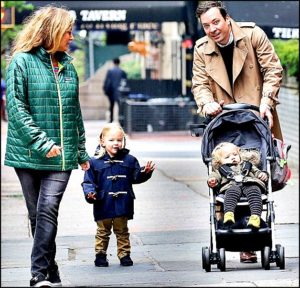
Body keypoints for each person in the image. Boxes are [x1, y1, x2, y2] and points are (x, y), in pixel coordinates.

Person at [4, 6, 90, 287]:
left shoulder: (67, 66)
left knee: (47, 209)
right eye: (67, 31)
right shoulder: (21, 62)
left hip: (61, 156)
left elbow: (74, 111)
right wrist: (42, 142)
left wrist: (80, 151)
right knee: (37, 214)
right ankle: (51, 270)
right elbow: (16, 109)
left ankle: (37, 273)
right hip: (28, 153)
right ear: (52, 31)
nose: (71, 36)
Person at [192, 0, 283, 263]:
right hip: (224, 122)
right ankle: (229, 234)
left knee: (257, 177)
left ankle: (252, 239)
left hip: (256, 115)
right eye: (206, 26)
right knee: (225, 179)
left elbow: (272, 70)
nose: (212, 29)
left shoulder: (253, 35)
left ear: (227, 18)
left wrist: (266, 101)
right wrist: (206, 102)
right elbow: (199, 84)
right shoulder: (201, 49)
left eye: (216, 22)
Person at [82, 123, 155, 267]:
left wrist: (144, 172)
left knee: (122, 231)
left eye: (119, 140)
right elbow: (88, 181)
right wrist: (90, 193)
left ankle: (124, 255)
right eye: (111, 140)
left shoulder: (130, 160)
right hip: (103, 202)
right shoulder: (93, 162)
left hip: (123, 202)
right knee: (102, 231)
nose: (116, 143)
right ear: (102, 141)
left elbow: (135, 177)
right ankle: (100, 255)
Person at [207, 142, 268, 230]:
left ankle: (255, 217)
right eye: (227, 157)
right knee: (231, 193)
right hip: (232, 185)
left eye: (235, 154)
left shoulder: (247, 165)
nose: (232, 158)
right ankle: (229, 214)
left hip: (250, 183)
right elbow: (215, 176)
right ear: (219, 162)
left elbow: (257, 171)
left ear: (240, 155)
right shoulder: (221, 169)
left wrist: (262, 174)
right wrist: (213, 180)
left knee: (255, 192)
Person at [103, 58, 127, 123]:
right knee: (120, 107)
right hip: (120, 92)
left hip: (111, 92)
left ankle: (111, 119)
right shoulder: (122, 72)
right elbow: (125, 82)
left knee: (111, 105)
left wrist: (105, 90)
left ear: (113, 63)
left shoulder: (110, 71)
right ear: (119, 63)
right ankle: (121, 120)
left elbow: (107, 82)